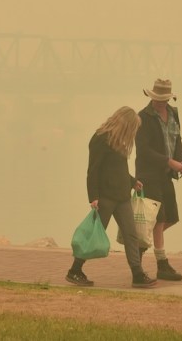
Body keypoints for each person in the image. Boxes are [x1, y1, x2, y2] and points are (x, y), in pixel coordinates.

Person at [66, 106, 159, 288]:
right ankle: (75, 270)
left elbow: (118, 169)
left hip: (123, 196)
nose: (133, 133)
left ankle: (137, 274)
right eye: (133, 128)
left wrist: (133, 182)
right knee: (93, 236)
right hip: (106, 197)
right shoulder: (100, 139)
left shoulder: (119, 141)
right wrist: (93, 197)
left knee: (131, 235)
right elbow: (93, 171)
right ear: (125, 124)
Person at [136, 78, 182, 281]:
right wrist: (169, 162)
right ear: (151, 97)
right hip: (148, 175)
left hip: (167, 174)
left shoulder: (174, 113)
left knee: (170, 217)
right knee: (158, 220)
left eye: (163, 99)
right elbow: (144, 151)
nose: (159, 103)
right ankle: (162, 264)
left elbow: (177, 140)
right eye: (156, 99)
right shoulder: (143, 117)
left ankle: (138, 248)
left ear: (168, 98)